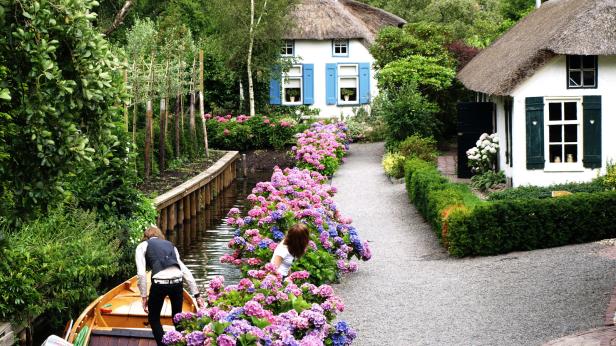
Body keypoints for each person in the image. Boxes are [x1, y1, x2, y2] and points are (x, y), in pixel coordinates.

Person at [135, 226, 205, 346]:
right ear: (160, 235)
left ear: (146, 237)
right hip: (177, 282)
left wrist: (144, 296)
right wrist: (197, 295)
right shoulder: (171, 245)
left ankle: (163, 344)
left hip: (159, 284)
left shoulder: (142, 246)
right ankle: (184, 343)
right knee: (177, 318)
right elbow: (184, 270)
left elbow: (141, 274)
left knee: (153, 318)